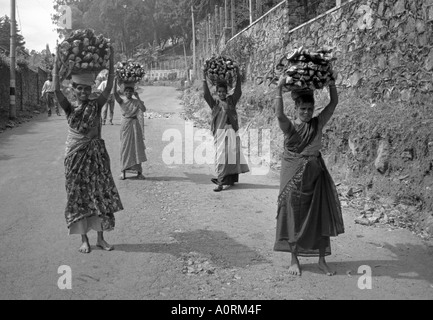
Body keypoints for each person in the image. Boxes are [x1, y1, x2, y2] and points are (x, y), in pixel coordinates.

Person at [52, 48, 123, 254]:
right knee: (79, 195)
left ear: (91, 88)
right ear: (73, 89)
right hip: (75, 156)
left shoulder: (96, 104)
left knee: (99, 194)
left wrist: (110, 62)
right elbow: (57, 90)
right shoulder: (69, 107)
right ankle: (84, 239)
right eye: (79, 89)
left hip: (96, 157)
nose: (83, 92)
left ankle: (101, 238)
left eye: (86, 89)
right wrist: (57, 64)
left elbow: (109, 86)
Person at [273, 76, 345, 276]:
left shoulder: (317, 123)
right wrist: (279, 88)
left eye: (310, 109)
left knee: (318, 216)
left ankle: (322, 259)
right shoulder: (290, 127)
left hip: (315, 175)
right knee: (293, 216)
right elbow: (279, 115)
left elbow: (333, 104)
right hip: (293, 176)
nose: (306, 113)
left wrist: (331, 83)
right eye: (302, 109)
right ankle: (294, 259)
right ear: (295, 108)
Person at [202, 66, 250, 192]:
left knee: (231, 156)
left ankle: (227, 180)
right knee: (221, 158)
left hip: (231, 133)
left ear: (226, 92)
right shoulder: (215, 104)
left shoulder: (231, 101)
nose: (222, 94)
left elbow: (238, 92)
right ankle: (221, 180)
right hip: (220, 134)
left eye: (224, 92)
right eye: (219, 92)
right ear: (217, 93)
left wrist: (238, 76)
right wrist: (203, 78)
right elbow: (206, 94)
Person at [114, 79, 147, 180]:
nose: (128, 93)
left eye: (130, 92)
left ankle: (139, 172)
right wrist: (115, 82)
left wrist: (138, 97)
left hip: (135, 125)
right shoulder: (122, 101)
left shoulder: (136, 102)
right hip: (126, 125)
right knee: (125, 147)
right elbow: (115, 94)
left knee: (136, 147)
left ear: (133, 92)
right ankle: (123, 172)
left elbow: (144, 109)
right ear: (124, 92)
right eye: (126, 92)